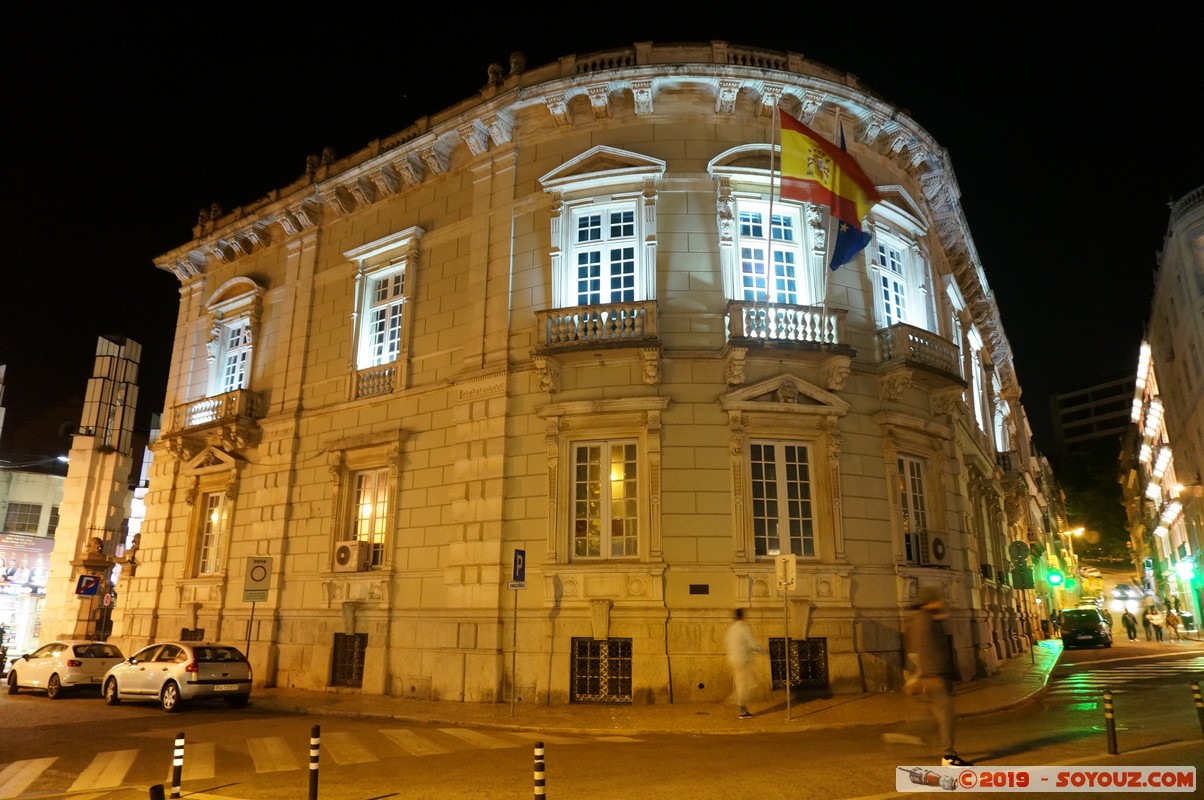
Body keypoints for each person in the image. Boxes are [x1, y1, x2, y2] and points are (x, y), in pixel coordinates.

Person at [905, 585, 972, 767]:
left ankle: (909, 735)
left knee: (934, 714)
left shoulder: (929, 618)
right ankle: (948, 756)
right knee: (946, 716)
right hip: (934, 676)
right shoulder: (923, 620)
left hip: (935, 675)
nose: (941, 602)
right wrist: (929, 676)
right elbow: (923, 648)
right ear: (929, 602)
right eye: (937, 599)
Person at [724, 608, 766, 719]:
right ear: (742, 616)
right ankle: (738, 702)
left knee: (741, 683)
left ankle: (741, 707)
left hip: (734, 660)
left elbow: (728, 643)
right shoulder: (744, 628)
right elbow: (751, 644)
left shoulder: (731, 629)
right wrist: (763, 651)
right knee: (751, 684)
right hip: (744, 660)